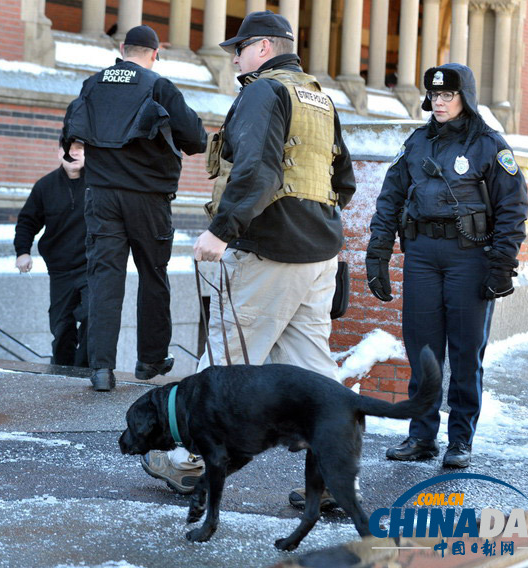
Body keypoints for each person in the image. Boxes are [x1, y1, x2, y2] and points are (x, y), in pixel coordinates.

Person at [139, 10, 356, 502]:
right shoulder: (318, 95)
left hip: (269, 251)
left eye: (238, 48)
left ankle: (187, 461)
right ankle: (336, 482)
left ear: (262, 48)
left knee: (227, 362)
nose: (234, 57)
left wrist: (222, 229)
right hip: (319, 251)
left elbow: (257, 169)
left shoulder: (263, 90)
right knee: (315, 373)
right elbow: (343, 180)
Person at [366, 63, 528, 468]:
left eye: (448, 95)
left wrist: (502, 265)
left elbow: (513, 208)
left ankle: (460, 441)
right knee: (423, 351)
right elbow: (389, 200)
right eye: (435, 95)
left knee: (465, 352)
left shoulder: (489, 145)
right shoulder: (417, 143)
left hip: (469, 257)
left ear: (465, 97)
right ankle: (421, 436)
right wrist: (378, 255)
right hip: (421, 255)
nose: (439, 102)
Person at [61, 25, 207, 392]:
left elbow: (73, 131)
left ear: (122, 48)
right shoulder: (158, 86)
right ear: (155, 53)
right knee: (153, 276)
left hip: (101, 196)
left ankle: (101, 369)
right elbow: (197, 140)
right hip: (148, 199)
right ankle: (150, 360)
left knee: (104, 279)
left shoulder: (92, 84)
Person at [14, 141, 88, 367]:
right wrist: (23, 252)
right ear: (59, 154)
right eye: (68, 149)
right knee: (61, 326)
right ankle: (63, 372)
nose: (73, 153)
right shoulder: (45, 186)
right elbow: (27, 221)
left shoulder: (99, 184)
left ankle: (85, 371)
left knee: (92, 317)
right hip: (60, 269)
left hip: (93, 265)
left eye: (80, 149)